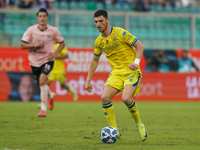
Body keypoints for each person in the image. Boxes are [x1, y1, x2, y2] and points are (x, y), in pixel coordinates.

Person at [85, 9, 147, 141]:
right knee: (104, 98)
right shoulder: (99, 41)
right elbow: (95, 60)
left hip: (131, 71)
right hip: (116, 74)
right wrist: (88, 80)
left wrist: (136, 63)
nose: (98, 24)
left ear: (107, 20)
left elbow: (140, 46)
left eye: (101, 21)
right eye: (96, 22)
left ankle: (139, 125)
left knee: (126, 99)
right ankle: (114, 131)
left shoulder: (120, 32)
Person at [20, 8, 65, 117]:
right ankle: (51, 95)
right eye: (40, 16)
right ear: (37, 18)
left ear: (47, 17)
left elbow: (62, 43)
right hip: (34, 61)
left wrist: (55, 53)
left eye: (44, 16)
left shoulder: (53, 30)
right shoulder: (31, 30)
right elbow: (22, 45)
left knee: (42, 80)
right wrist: (34, 45)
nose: (42, 18)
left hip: (48, 59)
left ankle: (43, 109)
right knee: (41, 83)